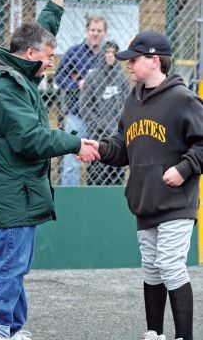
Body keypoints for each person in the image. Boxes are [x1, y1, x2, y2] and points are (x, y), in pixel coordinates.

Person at [0, 0, 99, 340]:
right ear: (30, 56)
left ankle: (10, 328)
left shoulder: (18, 68)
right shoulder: (4, 87)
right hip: (12, 188)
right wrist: (75, 143)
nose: (50, 63)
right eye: (48, 57)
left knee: (18, 262)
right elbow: (30, 138)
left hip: (20, 186)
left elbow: (41, 31)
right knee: (10, 263)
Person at [79, 31, 203, 340]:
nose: (129, 65)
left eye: (135, 59)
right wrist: (102, 148)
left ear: (155, 60)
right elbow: (124, 147)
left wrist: (185, 168)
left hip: (176, 200)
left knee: (171, 265)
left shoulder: (182, 99)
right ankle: (154, 333)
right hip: (145, 199)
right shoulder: (131, 102)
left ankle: (184, 336)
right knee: (151, 267)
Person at [55, 14, 107, 185]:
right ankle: (69, 198)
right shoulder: (74, 52)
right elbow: (59, 77)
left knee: (100, 160)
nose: (95, 34)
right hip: (77, 114)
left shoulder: (108, 55)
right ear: (86, 31)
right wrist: (78, 84)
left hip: (101, 118)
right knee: (72, 161)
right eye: (92, 30)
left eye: (99, 31)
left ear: (105, 33)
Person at [80, 41, 131, 185]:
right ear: (102, 54)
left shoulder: (122, 78)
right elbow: (85, 107)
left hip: (117, 135)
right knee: (96, 174)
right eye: (107, 52)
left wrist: (116, 125)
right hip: (98, 135)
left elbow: (127, 105)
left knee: (116, 175)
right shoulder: (93, 77)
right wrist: (101, 124)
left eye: (113, 52)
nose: (110, 55)